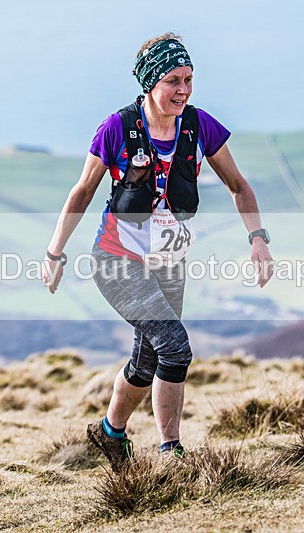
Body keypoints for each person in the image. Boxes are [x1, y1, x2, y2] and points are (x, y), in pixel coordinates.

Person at [43, 33, 274, 471]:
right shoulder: (117, 129)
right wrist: (55, 253)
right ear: (151, 83)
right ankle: (171, 451)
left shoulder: (199, 125)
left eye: (189, 79)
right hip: (116, 261)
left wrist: (257, 239)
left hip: (169, 263)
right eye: (173, 80)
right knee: (176, 347)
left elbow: (239, 185)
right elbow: (83, 192)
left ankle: (109, 433)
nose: (183, 90)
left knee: (147, 358)